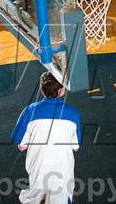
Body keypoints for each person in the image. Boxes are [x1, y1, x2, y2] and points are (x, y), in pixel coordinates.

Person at [11, 72, 81, 204]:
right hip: (62, 172)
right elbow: (75, 146)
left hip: (38, 170)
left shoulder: (29, 111)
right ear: (60, 90)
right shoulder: (73, 113)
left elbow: (21, 146)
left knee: (33, 197)